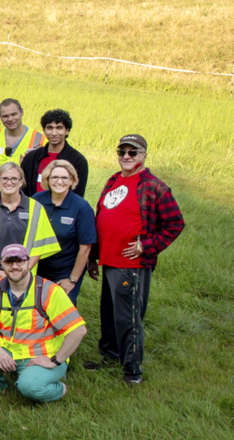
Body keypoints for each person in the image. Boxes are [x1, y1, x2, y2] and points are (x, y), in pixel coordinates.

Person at [88, 134, 183, 384]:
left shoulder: (154, 186)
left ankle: (132, 372)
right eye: (122, 152)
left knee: (128, 318)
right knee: (108, 314)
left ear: (144, 155)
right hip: (109, 260)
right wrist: (94, 257)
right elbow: (104, 219)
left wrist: (147, 246)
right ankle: (110, 357)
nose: (126, 157)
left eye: (133, 152)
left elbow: (175, 223)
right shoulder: (114, 180)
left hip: (131, 264)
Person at [0, 244, 86, 402]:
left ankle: (59, 388)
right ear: (2, 264)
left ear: (29, 263)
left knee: (29, 387)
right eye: (9, 262)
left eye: (20, 261)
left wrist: (56, 360)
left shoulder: (49, 291)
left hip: (42, 356)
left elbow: (78, 330)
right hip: (9, 351)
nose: (14, 266)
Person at [0, 162, 61, 292]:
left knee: (20, 311)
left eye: (14, 178)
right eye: (4, 178)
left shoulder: (35, 208)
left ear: (21, 182)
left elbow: (39, 246)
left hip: (23, 273)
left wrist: (23, 271)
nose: (9, 182)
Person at [31, 160, 97, 305]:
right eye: (54, 177)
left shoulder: (82, 208)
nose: (59, 182)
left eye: (64, 178)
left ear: (72, 180)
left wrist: (72, 279)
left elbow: (85, 249)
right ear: (47, 179)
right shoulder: (37, 200)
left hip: (65, 271)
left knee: (62, 312)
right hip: (37, 267)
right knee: (35, 311)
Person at [0, 99, 46, 195]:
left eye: (14, 114)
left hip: (22, 200)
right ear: (0, 117)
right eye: (5, 116)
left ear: (22, 112)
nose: (10, 119)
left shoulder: (40, 140)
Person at [20, 109, 89, 198]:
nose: (54, 133)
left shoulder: (78, 160)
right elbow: (22, 190)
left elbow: (77, 195)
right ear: (44, 130)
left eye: (59, 128)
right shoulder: (30, 158)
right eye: (50, 128)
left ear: (67, 131)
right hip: (34, 209)